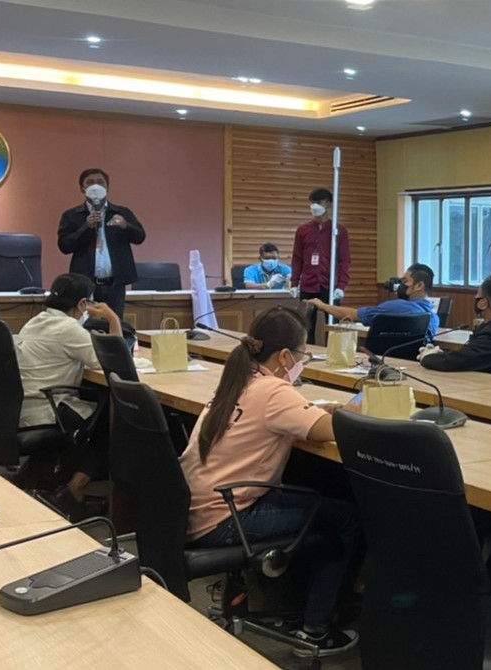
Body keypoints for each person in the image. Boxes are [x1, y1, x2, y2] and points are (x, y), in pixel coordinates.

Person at [180, 308, 361, 658]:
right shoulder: (274, 391)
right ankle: (316, 631)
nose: (302, 363)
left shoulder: (237, 382)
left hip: (197, 509)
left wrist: (317, 409)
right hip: (227, 518)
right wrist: (352, 413)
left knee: (318, 500)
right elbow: (330, 430)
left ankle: (295, 604)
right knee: (349, 519)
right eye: (302, 355)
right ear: (284, 356)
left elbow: (283, 415)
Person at [17, 273, 120, 513]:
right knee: (117, 416)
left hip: (24, 407)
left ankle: (72, 485)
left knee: (103, 407)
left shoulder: (34, 322)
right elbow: (113, 359)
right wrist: (112, 318)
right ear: (83, 304)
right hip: (49, 409)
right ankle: (76, 486)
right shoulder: (68, 328)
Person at [57, 168, 146, 318]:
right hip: (85, 283)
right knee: (85, 324)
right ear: (82, 188)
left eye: (100, 182)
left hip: (115, 283)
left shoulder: (121, 212)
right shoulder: (71, 216)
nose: (96, 186)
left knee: (114, 322)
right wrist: (85, 227)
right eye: (90, 183)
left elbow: (140, 237)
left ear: (107, 187)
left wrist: (126, 225)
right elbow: (64, 246)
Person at [419, 274, 491, 374]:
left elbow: (456, 362)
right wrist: (438, 355)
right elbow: (467, 356)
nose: (475, 297)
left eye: (478, 294)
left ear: (483, 303)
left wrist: (427, 357)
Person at [309, 263, 438, 336]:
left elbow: (352, 315)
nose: (401, 285)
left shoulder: (396, 307)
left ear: (419, 286)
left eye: (405, 281)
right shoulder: (434, 318)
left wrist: (322, 305)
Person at [292, 188, 351, 344]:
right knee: (305, 326)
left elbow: (344, 260)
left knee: (333, 327)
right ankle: (306, 352)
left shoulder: (338, 231)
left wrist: (341, 285)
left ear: (328, 204)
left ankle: (331, 353)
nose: (315, 206)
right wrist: (294, 283)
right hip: (308, 285)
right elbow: (297, 258)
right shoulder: (302, 230)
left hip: (329, 285)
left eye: (319, 202)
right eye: (312, 202)